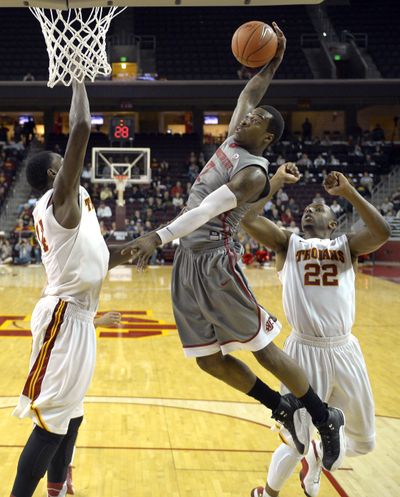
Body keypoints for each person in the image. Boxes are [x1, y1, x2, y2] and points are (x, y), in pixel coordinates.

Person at [125, 23, 345, 472]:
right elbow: (251, 90)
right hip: (187, 260)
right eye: (247, 116)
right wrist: (275, 61)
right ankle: (279, 405)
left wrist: (157, 236)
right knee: (207, 360)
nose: (246, 118)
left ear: (267, 139)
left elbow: (206, 210)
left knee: (262, 348)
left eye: (256, 121)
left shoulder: (253, 173)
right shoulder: (232, 137)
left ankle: (324, 415)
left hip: (214, 260)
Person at [10, 81, 134, 497]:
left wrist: (147, 243)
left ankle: (58, 488)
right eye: (63, 163)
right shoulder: (59, 201)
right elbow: (80, 124)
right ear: (52, 173)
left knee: (72, 414)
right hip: (63, 318)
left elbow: (95, 257)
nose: (70, 165)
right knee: (49, 422)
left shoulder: (74, 207)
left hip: (77, 316)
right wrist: (78, 75)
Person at [241, 171, 390, 497]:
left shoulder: (347, 245)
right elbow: (246, 217)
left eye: (320, 208)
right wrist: (276, 180)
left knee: (364, 443)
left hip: (344, 348)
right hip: (303, 351)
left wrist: (349, 192)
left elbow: (382, 231)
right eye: (308, 208)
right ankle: (268, 493)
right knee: (296, 438)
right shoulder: (287, 241)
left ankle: (319, 455)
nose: (311, 209)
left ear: (333, 224)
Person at [53, 311, 122, 496]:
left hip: (71, 373)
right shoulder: (54, 302)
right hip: (57, 376)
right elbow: (64, 334)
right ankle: (57, 480)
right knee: (54, 433)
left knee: (71, 426)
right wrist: (98, 323)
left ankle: (63, 474)